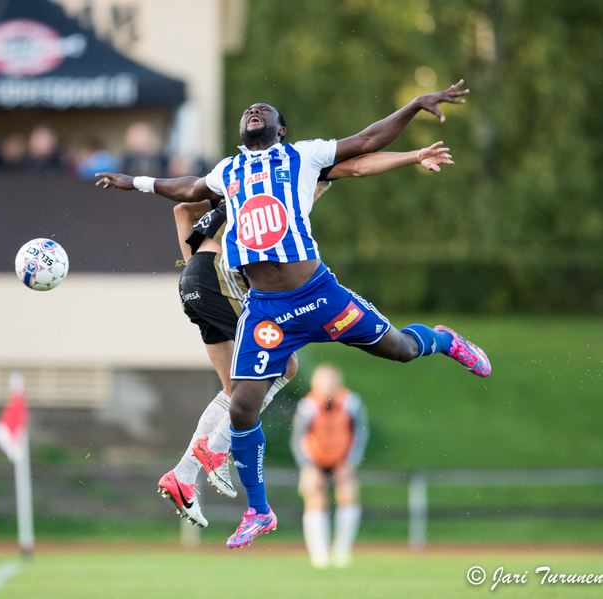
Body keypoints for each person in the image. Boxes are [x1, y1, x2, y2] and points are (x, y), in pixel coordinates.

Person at [95, 79, 490, 548]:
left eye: (265, 110)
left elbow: (364, 145)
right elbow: (188, 188)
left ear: (282, 129)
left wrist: (412, 105)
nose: (254, 110)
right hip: (266, 310)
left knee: (401, 349)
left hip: (319, 295)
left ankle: (445, 340)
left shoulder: (304, 156)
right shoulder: (229, 170)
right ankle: (259, 511)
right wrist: (134, 182)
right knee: (242, 405)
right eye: (248, 110)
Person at [291, 364, 368, 568]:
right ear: (314, 384)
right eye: (323, 381)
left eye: (331, 381)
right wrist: (308, 467)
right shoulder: (307, 405)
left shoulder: (352, 402)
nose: (328, 386)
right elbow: (298, 439)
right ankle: (319, 555)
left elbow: (360, 434)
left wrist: (350, 462)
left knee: (349, 496)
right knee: (315, 498)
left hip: (343, 460)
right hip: (314, 460)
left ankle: (342, 552)